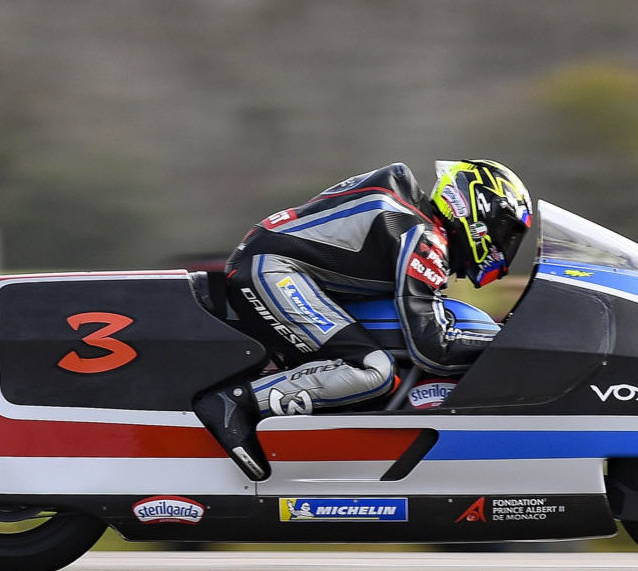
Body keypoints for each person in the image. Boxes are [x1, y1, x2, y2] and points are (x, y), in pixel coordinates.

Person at [193, 160, 537, 480]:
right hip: (274, 271)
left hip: (276, 267)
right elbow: (433, 348)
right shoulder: (423, 237)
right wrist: (510, 342)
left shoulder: (413, 221)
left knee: (368, 360)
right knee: (373, 370)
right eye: (505, 232)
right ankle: (237, 401)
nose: (504, 245)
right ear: (476, 212)